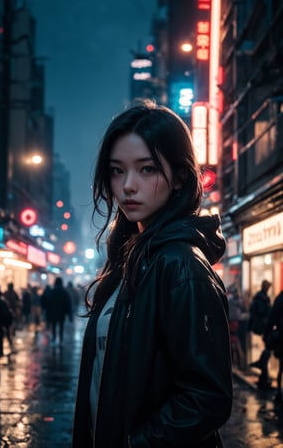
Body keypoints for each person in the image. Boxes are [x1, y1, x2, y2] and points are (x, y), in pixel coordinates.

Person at [72, 100, 232, 448]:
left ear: (179, 177)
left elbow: (207, 397)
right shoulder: (131, 258)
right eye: (117, 170)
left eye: (147, 169)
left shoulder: (180, 266)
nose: (128, 185)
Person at [248, 279, 272, 389]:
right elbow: (262, 312)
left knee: (267, 351)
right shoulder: (262, 298)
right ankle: (263, 376)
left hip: (262, 326)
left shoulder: (261, 297)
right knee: (267, 350)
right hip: (262, 327)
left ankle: (263, 375)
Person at [263, 291, 283, 403]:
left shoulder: (280, 298)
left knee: (281, 366)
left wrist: (266, 334)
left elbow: (272, 317)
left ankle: (279, 393)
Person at [47, 277, 72, 346]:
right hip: (61, 313)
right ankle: (61, 340)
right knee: (61, 326)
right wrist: (69, 315)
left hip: (53, 312)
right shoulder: (64, 292)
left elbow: (48, 302)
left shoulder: (52, 291)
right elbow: (68, 303)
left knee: (54, 326)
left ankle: (54, 339)